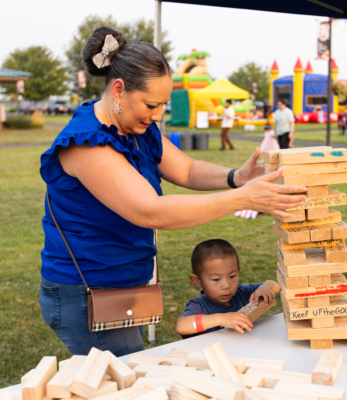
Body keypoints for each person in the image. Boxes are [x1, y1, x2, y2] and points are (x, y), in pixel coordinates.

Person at [38, 26, 307, 357]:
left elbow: (187, 169)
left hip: (118, 287)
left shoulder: (137, 128)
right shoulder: (87, 143)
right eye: (151, 104)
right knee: (127, 383)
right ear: (119, 90)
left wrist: (236, 177)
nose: (158, 115)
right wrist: (242, 198)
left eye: (163, 104)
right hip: (86, 292)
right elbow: (150, 211)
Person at [175, 239, 280, 338]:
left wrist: (266, 287)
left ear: (238, 271)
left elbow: (275, 285)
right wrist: (220, 319)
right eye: (216, 279)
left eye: (232, 276)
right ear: (197, 281)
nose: (226, 285)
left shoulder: (241, 293)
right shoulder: (199, 306)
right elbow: (181, 326)